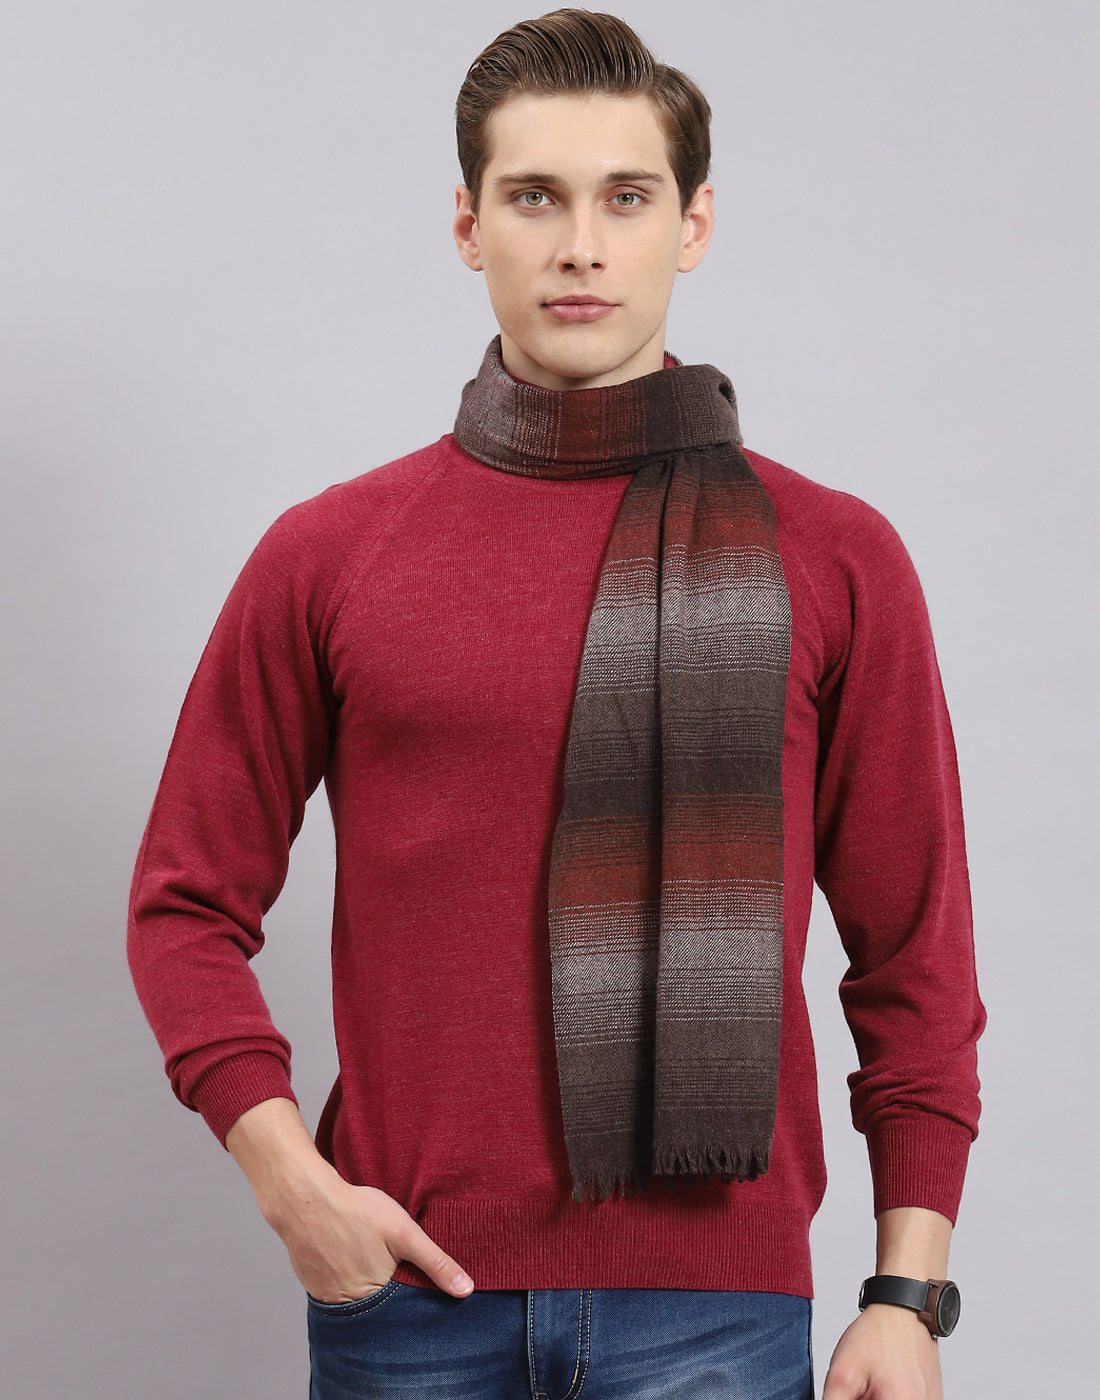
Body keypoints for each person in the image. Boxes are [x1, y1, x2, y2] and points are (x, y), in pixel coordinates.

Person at [127, 9, 985, 1399]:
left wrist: (908, 1293)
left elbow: (916, 957)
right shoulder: (333, 553)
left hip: (717, 1321)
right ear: (470, 228)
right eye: (535, 197)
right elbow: (183, 901)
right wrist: (291, 1184)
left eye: (625, 198)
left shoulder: (836, 557)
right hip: (408, 1306)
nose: (580, 244)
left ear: (693, 225)